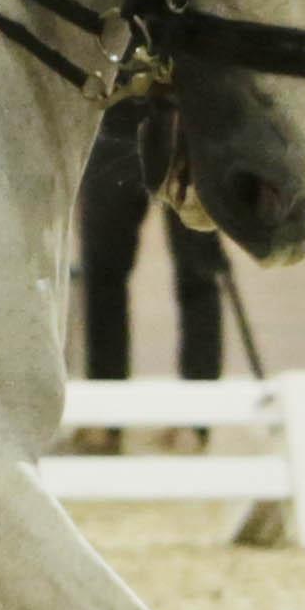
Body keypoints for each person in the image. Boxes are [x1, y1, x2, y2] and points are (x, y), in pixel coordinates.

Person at [76, 107, 232, 400]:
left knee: (198, 271)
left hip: (191, 134)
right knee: (101, 271)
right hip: (114, 127)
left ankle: (197, 416)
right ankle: (105, 410)